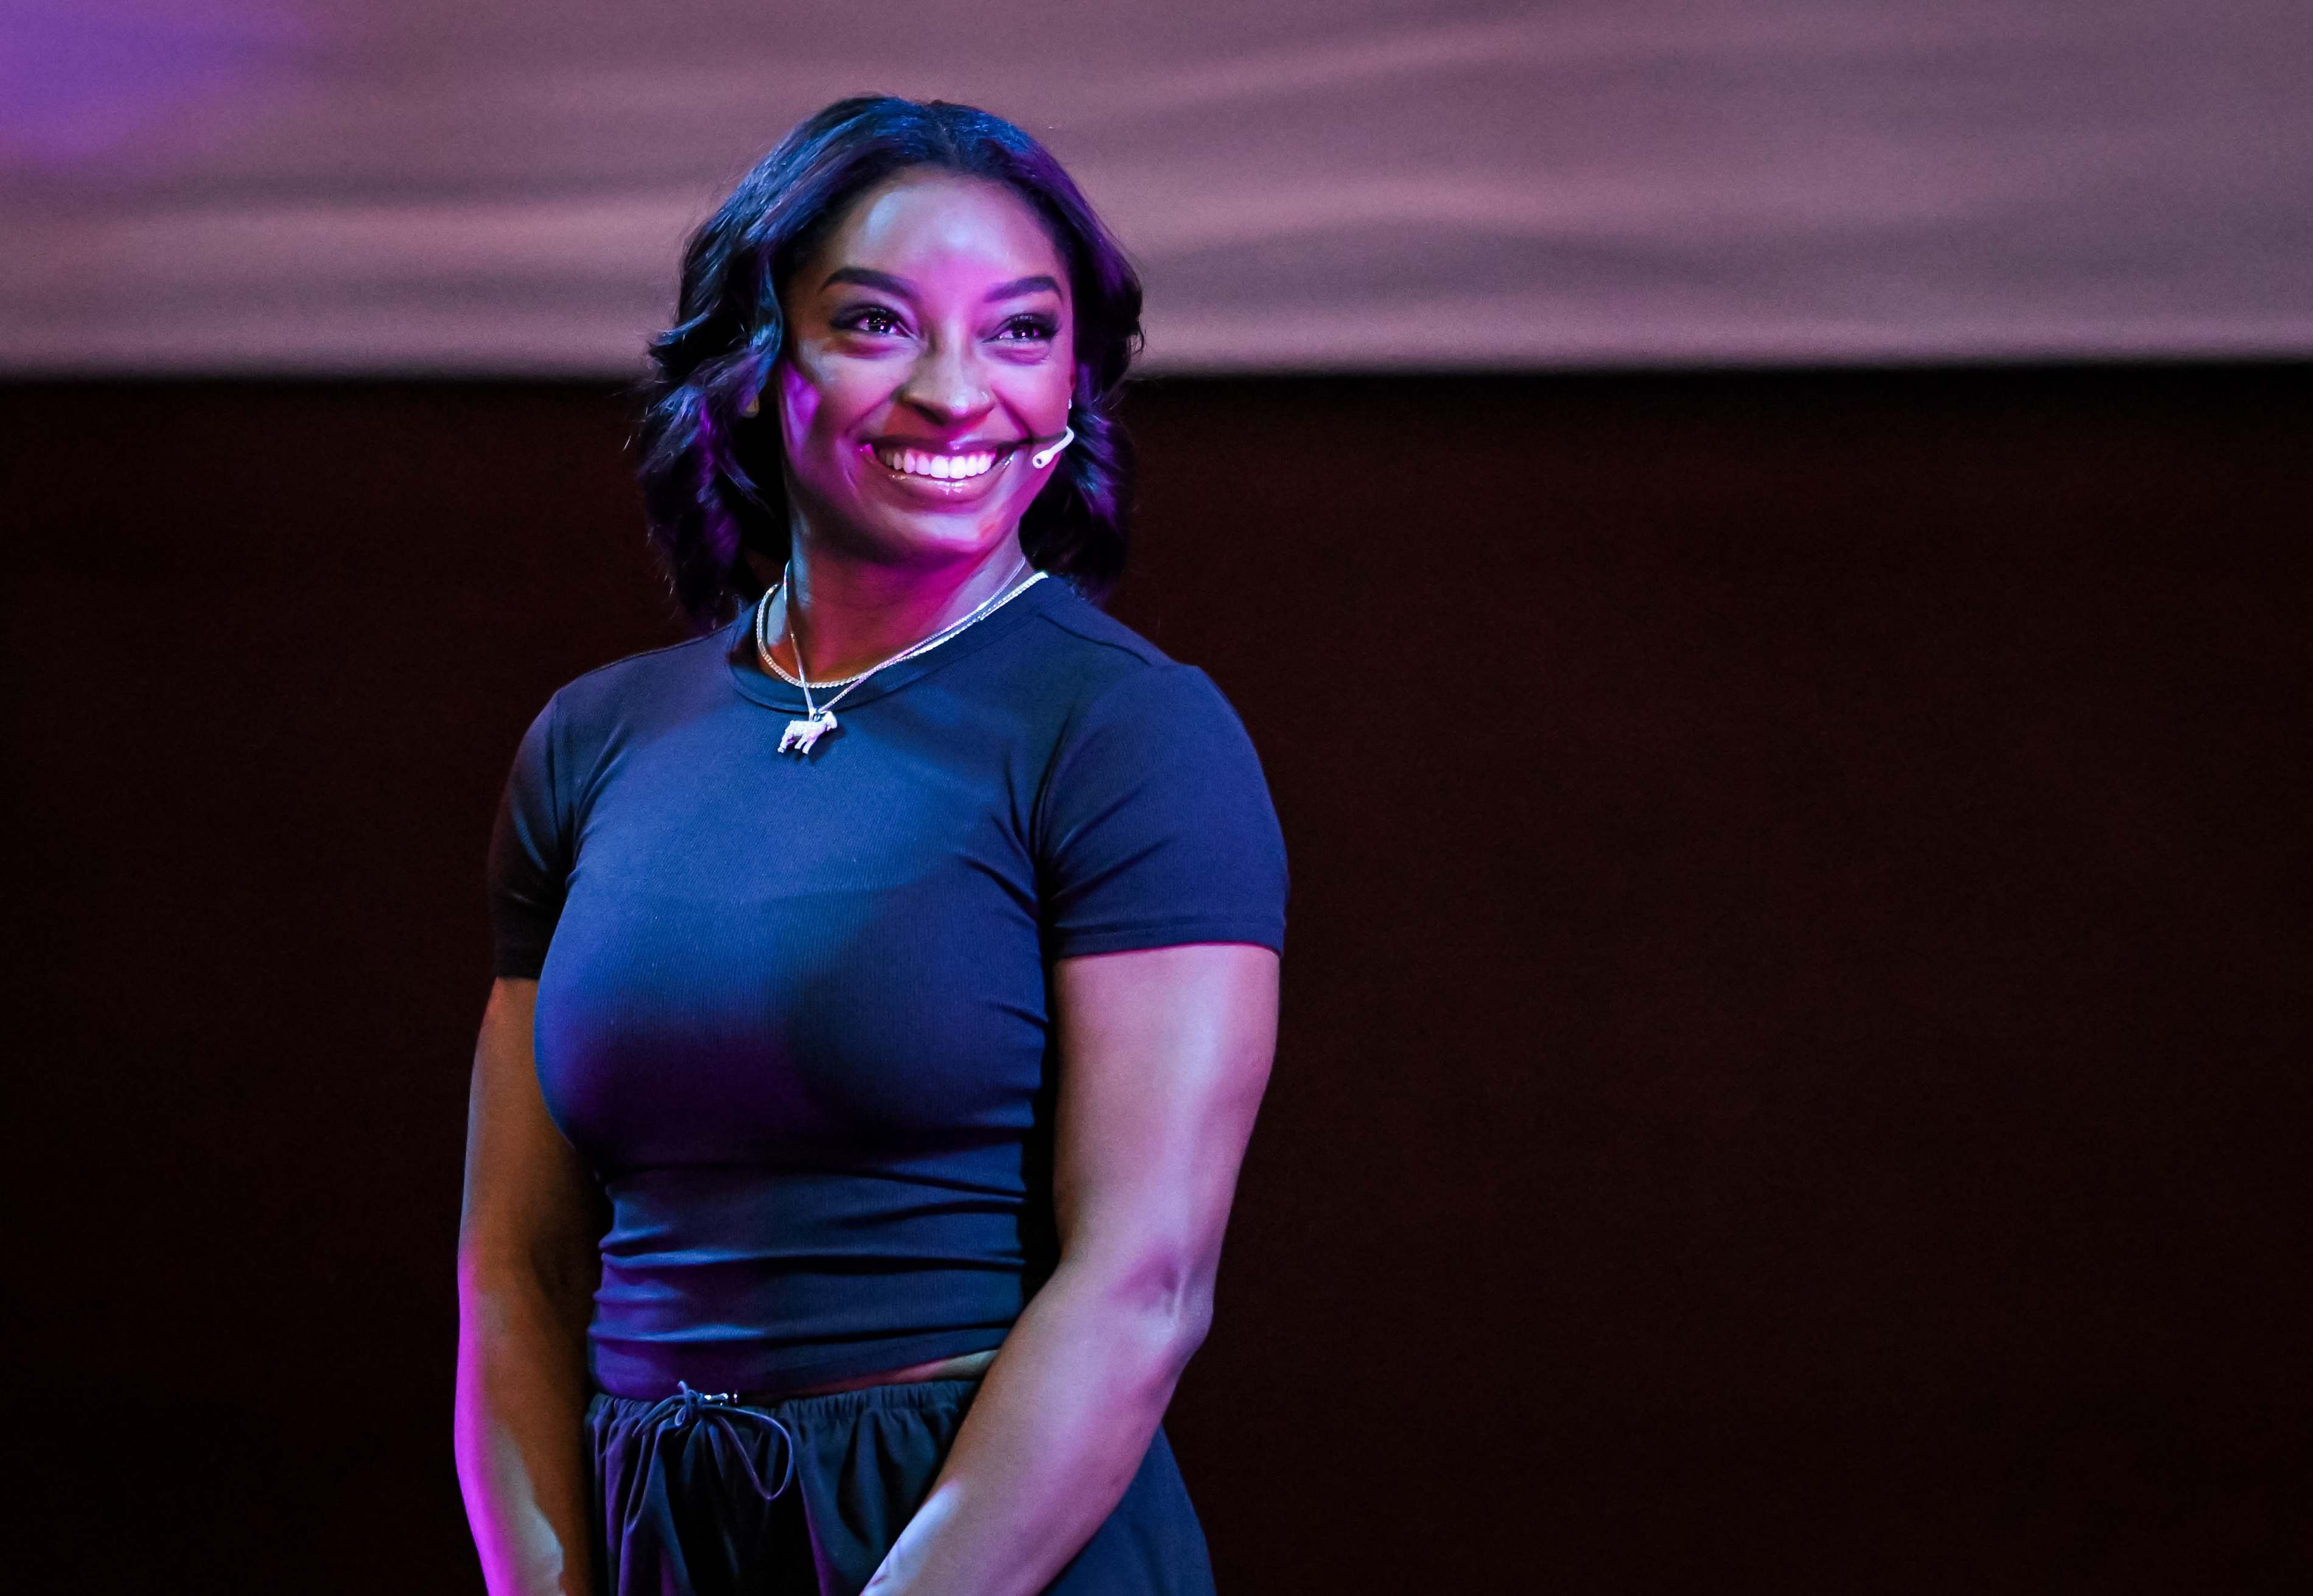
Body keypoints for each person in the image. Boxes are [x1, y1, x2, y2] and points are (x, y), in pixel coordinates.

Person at [453, 97, 1287, 1596]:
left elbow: (1142, 1286)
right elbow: (514, 1269)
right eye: (876, 325)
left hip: (977, 1538)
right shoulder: (594, 740)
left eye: (1021, 333)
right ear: (756, 357)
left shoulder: (1128, 734)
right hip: (653, 1537)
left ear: (1076, 380)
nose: (957, 393)